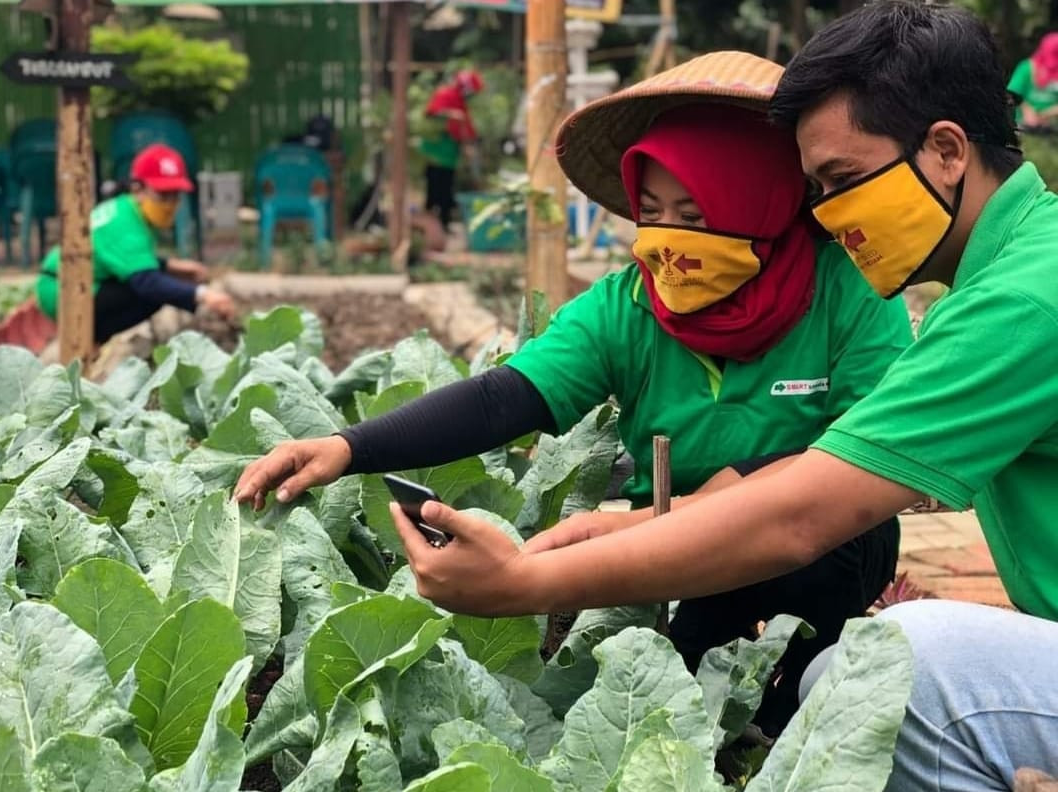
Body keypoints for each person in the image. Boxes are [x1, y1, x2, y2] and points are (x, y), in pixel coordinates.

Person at [381, 2, 1058, 789]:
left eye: (842, 181)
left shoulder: (1023, 300)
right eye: (814, 191)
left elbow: (812, 509)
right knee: (845, 678)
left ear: (946, 150)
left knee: (908, 668)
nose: (831, 219)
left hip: (822, 552)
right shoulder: (1013, 270)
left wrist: (525, 584)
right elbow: (513, 393)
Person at [235, 51, 913, 735]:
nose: (670, 242)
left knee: (799, 696)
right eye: (652, 213)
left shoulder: (849, 290)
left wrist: (650, 523)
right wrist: (348, 447)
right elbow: (505, 398)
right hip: (693, 549)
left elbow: (860, 462)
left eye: (696, 214)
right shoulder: (628, 308)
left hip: (827, 541)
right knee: (681, 708)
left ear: (762, 199)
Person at [36, 144, 235, 343]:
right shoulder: (124, 223)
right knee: (153, 293)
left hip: (68, 281)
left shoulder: (123, 209)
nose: (170, 204)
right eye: (163, 195)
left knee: (163, 281)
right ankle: (94, 340)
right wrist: (202, 294)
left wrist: (172, 266)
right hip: (64, 290)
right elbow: (147, 282)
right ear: (137, 188)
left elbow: (121, 259)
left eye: (175, 195)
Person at [419, 68, 483, 228]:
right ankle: (430, 226)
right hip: (435, 153)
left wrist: (470, 144)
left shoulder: (460, 103)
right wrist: (450, 114)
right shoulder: (445, 95)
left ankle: (443, 224)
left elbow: (467, 129)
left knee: (446, 190)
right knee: (434, 190)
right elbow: (430, 113)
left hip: (449, 156)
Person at [1008, 33, 1058, 131]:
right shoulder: (1026, 68)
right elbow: (1012, 93)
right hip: (1024, 127)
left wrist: (1047, 114)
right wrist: (1028, 112)